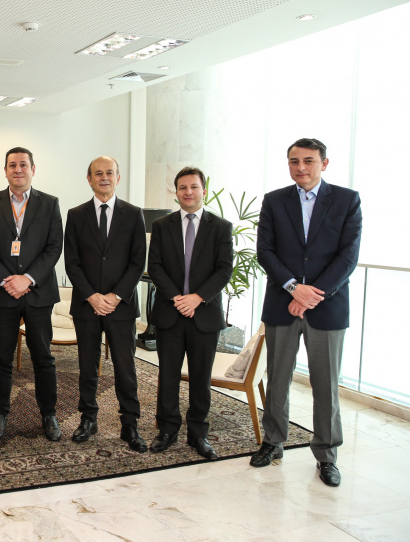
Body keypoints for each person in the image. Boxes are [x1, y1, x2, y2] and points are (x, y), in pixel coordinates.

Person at [250, 138, 362, 487]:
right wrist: (292, 288)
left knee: (325, 385)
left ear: (324, 164)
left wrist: (312, 294)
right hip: (282, 304)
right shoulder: (274, 201)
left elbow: (348, 256)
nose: (301, 167)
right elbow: (265, 251)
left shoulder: (347, 200)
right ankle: (273, 442)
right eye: (294, 161)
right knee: (278, 377)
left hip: (327, 309)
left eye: (309, 161)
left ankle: (326, 456)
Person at [0, 147, 63, 441]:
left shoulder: (49, 204)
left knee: (43, 357)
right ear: (5, 170)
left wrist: (27, 278)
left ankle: (49, 415)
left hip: (38, 294)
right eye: (12, 165)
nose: (18, 170)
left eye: (23, 165)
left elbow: (53, 248)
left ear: (33, 169)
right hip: (3, 294)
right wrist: (6, 280)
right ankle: (0, 414)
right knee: (1, 358)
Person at [147, 167, 233, 459]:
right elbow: (155, 266)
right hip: (170, 314)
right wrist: (177, 298)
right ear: (176, 192)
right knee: (168, 376)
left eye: (193, 187)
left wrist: (197, 298)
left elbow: (224, 270)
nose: (188, 192)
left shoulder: (220, 227)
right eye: (182, 187)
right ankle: (168, 430)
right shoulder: (162, 225)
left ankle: (198, 434)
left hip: (204, 315)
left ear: (203, 190)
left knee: (200, 378)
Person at [63, 156, 147, 452]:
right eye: (98, 173)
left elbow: (138, 262)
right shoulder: (75, 215)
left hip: (121, 306)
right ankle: (88, 418)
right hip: (87, 305)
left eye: (109, 173)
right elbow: (71, 262)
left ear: (118, 178)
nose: (104, 177)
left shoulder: (134, 214)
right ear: (89, 179)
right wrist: (92, 296)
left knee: (126, 367)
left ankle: (130, 423)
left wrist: (114, 296)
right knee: (87, 367)